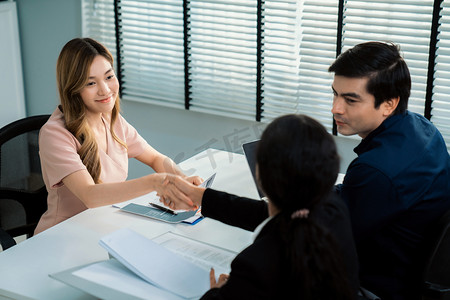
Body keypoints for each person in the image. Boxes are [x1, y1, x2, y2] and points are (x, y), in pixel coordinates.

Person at [168, 114, 360, 300]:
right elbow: (264, 215)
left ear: (261, 176)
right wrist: (201, 197)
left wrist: (218, 292)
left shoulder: (255, 266)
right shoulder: (334, 210)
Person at [34, 38, 199, 234]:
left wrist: (182, 181)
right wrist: (155, 182)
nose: (105, 89)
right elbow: (90, 196)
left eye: (109, 77)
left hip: (105, 226)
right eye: (90, 83)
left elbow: (155, 157)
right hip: (63, 236)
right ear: (73, 89)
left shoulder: (111, 119)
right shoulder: (55, 134)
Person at [328, 41, 450, 300]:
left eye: (350, 99)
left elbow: (327, 239)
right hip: (409, 265)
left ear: (388, 104)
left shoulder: (375, 170)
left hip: (379, 283)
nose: (336, 108)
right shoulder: (423, 128)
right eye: (335, 94)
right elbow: (369, 198)